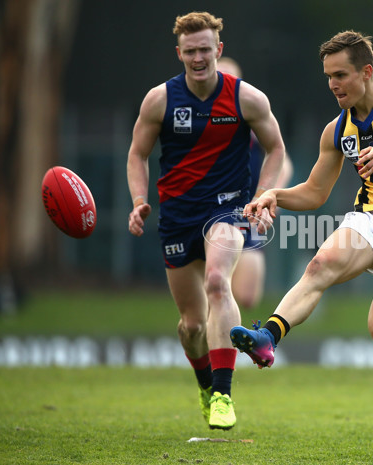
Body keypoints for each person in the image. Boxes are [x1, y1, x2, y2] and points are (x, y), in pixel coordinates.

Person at [230, 30, 373, 460]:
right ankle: (267, 335)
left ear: (366, 72)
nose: (333, 85)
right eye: (329, 76)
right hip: (369, 219)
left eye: (341, 75)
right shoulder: (338, 130)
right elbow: (314, 193)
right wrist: (275, 196)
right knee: (320, 264)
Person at [127, 11, 285, 430]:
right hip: (177, 218)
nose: (198, 58)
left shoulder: (246, 98)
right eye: (190, 51)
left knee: (219, 281)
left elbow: (276, 149)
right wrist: (139, 200)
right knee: (191, 325)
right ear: (179, 53)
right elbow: (137, 154)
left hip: (226, 211)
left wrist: (263, 197)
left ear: (219, 49)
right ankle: (204, 384)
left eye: (205, 49)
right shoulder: (159, 100)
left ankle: (222, 395)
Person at [216, 57, 294, 310]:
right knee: (214, 286)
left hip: (245, 214)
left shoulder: (250, 120)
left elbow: (285, 163)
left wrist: (269, 198)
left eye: (230, 80)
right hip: (206, 211)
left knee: (247, 297)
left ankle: (222, 333)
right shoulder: (193, 121)